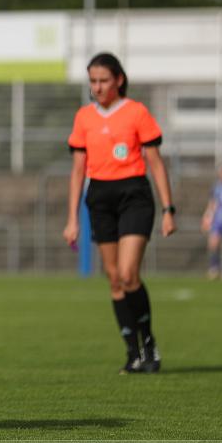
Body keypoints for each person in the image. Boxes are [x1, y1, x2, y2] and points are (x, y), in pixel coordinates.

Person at [64, 52, 176, 374]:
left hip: (134, 196)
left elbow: (155, 161)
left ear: (119, 80)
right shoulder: (84, 118)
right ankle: (132, 352)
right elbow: (77, 171)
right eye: (93, 82)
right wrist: (72, 218)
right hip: (99, 197)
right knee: (114, 279)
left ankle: (149, 344)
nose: (97, 88)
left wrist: (169, 209)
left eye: (103, 81)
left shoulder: (136, 112)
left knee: (129, 274)